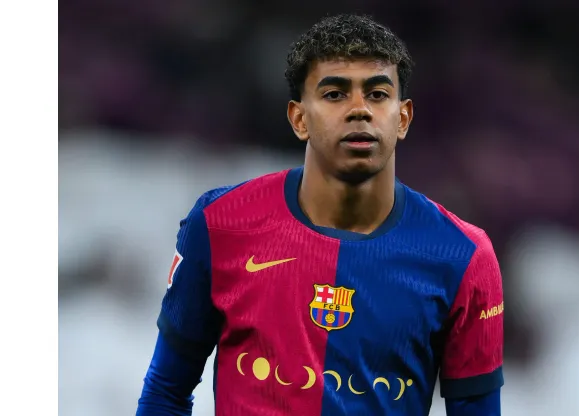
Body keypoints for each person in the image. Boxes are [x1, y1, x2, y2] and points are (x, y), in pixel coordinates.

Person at [136, 13, 504, 416]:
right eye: (335, 94)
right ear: (299, 118)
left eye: (378, 93)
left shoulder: (462, 256)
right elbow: (166, 393)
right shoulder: (220, 222)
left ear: (403, 118)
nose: (359, 110)